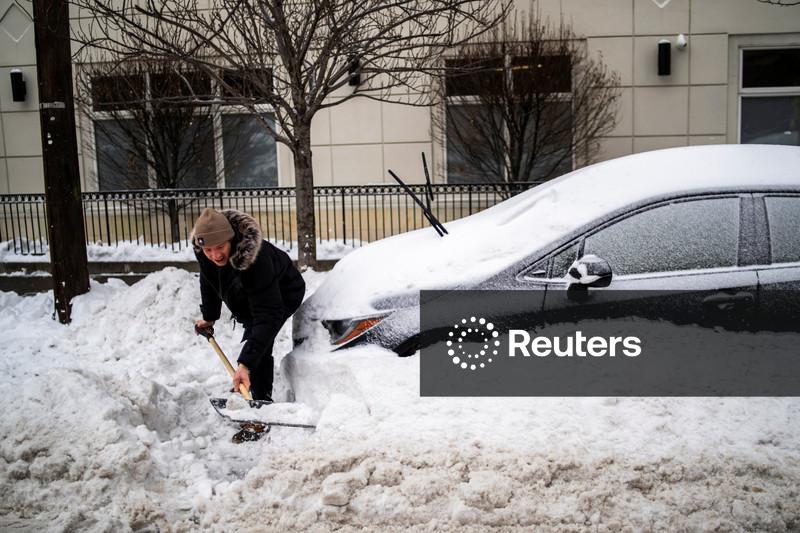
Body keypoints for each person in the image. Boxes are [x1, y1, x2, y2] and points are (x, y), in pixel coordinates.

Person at [191, 207, 305, 402]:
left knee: (259, 341)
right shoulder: (205, 254)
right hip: (249, 295)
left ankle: (261, 402)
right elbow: (209, 281)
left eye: (220, 247)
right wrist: (210, 317)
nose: (215, 255)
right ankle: (252, 384)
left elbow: (267, 315)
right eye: (208, 250)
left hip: (284, 292)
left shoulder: (255, 259)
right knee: (255, 339)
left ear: (231, 239)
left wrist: (245, 364)